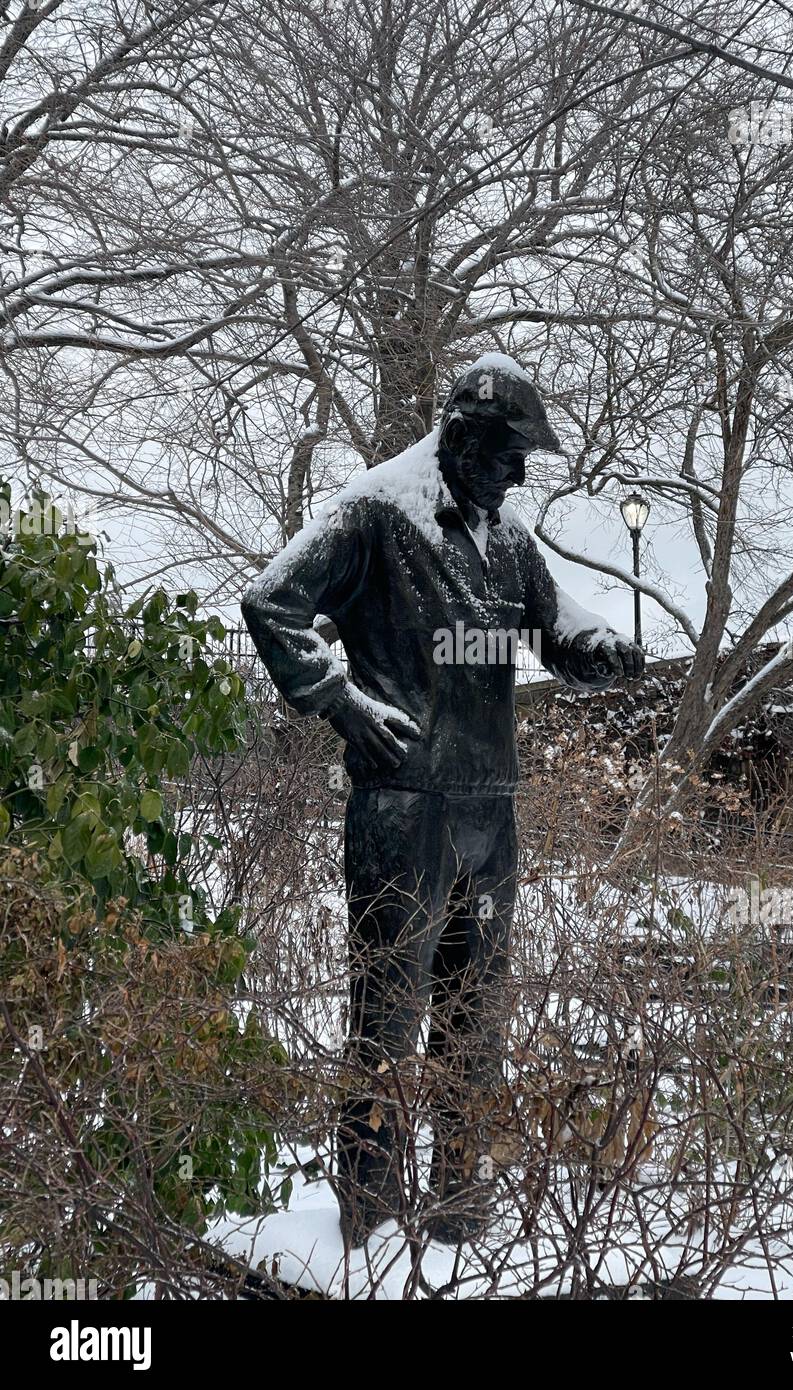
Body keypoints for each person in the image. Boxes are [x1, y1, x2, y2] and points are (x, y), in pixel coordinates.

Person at [242, 352, 644, 1245]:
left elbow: (555, 622)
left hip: (487, 811)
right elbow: (272, 603)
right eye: (510, 452)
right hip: (404, 807)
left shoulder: (505, 539)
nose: (521, 471)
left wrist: (600, 647)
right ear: (462, 435)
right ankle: (373, 1227)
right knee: (387, 1016)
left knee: (476, 1022)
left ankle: (461, 1214)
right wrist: (341, 702)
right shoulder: (378, 510)